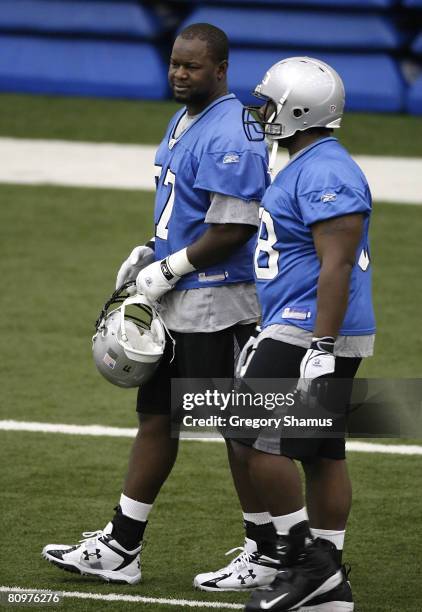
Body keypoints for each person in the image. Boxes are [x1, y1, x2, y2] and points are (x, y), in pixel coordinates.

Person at [41, 23, 272, 584]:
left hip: (215, 303)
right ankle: (122, 547)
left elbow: (233, 228)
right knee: (156, 419)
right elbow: (186, 210)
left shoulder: (233, 131)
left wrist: (167, 269)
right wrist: (152, 252)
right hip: (180, 296)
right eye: (174, 63)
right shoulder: (184, 116)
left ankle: (268, 550)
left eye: (191, 67)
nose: (178, 74)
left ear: (221, 69)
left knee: (237, 431)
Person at [194, 57, 375, 612]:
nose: (263, 111)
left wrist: (318, 347)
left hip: (306, 328)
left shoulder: (326, 170)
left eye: (272, 102)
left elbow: (338, 264)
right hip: (308, 323)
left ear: (299, 109)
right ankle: (329, 580)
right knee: (322, 453)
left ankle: (304, 562)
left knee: (247, 432)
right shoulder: (307, 161)